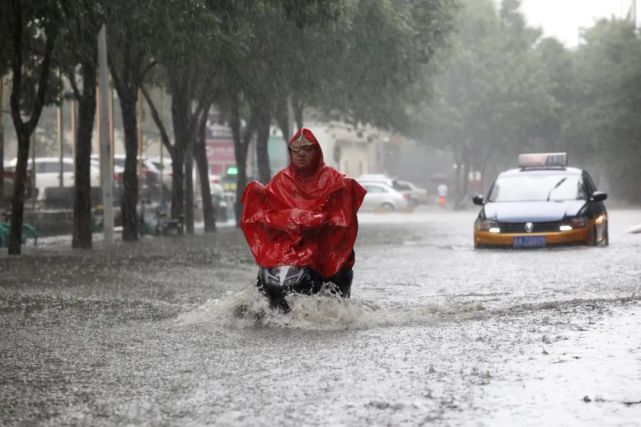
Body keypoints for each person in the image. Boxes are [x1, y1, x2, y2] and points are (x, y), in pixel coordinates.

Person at [240, 128, 366, 297]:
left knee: (336, 275)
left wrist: (320, 220)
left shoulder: (334, 179)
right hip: (288, 252)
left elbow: (343, 216)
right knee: (261, 287)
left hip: (323, 250)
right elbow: (266, 212)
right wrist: (290, 219)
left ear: (317, 152)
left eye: (307, 150)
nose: (301, 154)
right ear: (290, 153)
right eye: (296, 150)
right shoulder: (280, 181)